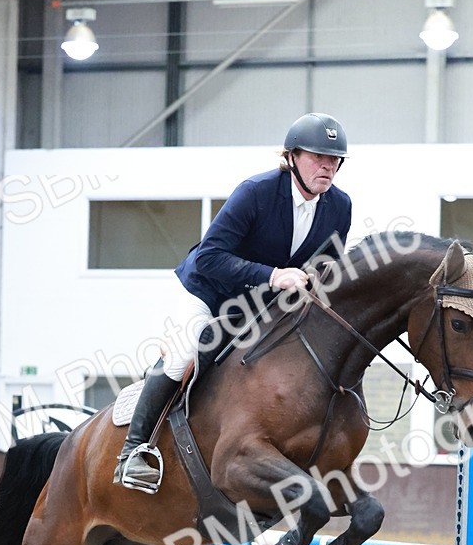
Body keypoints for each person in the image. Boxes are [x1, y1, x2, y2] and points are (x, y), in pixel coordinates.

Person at [114, 112, 352, 491]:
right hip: (207, 292)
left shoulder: (339, 207)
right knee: (183, 354)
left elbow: (326, 268)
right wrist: (274, 275)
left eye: (334, 160)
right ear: (291, 157)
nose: (327, 166)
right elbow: (210, 256)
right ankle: (134, 451)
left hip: (259, 307)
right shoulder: (256, 192)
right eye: (316, 157)